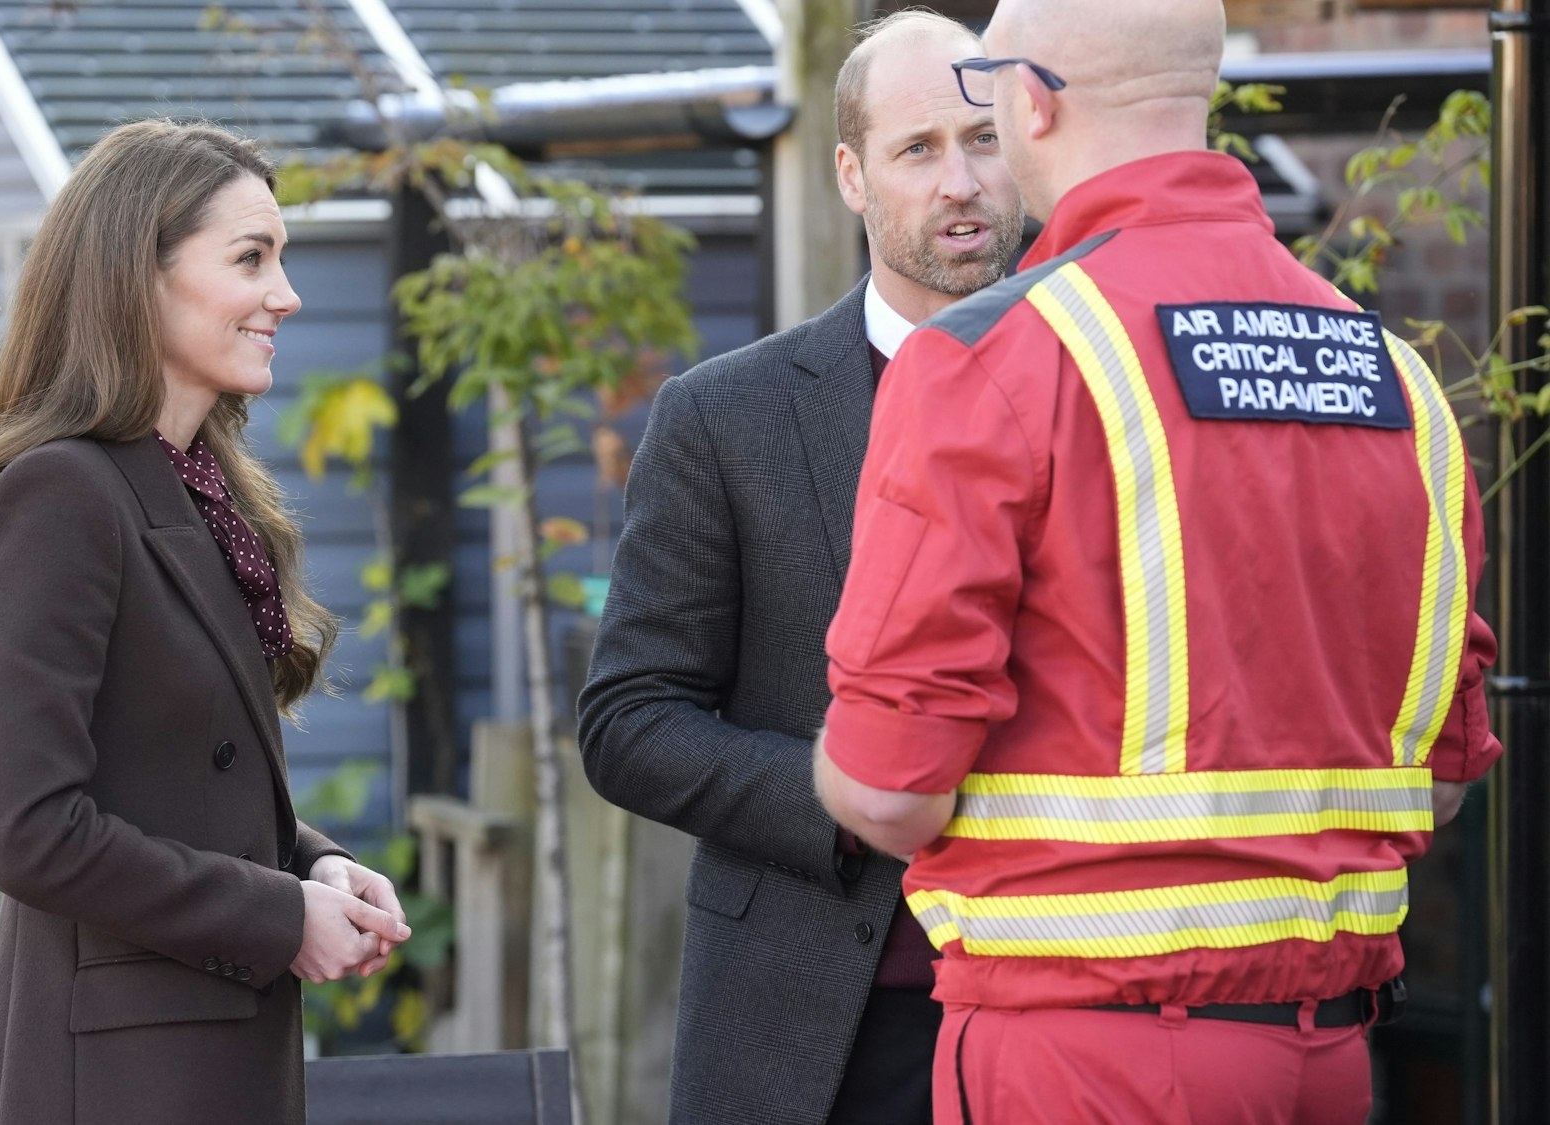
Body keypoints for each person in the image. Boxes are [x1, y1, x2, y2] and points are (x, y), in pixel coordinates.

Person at [812, 0, 1500, 1121]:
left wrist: (836, 769)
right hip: (1328, 1055)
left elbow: (890, 790)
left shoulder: (991, 359)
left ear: (1028, 99)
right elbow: (1441, 771)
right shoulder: (1396, 379)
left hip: (1085, 1054)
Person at [0, 119, 410, 1125]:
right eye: (250, 259)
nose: (286, 294)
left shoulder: (195, 490)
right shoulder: (60, 493)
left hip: (205, 1049)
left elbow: (176, 779)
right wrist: (278, 917)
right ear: (137, 277)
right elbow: (28, 832)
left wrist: (314, 864)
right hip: (119, 1078)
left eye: (282, 259)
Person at [577, 11, 1024, 1124]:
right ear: (851, 175)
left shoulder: (1110, 392)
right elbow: (628, 719)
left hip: (1058, 1002)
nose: (957, 180)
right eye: (916, 149)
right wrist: (851, 803)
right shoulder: (722, 417)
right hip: (816, 1018)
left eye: (981, 140)